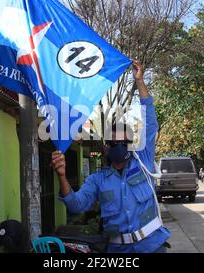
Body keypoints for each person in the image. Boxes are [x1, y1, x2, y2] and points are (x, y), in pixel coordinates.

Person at [51, 61, 171, 253]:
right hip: (118, 250)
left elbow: (150, 123)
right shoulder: (98, 180)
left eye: (124, 143)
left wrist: (139, 81)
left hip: (152, 246)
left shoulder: (144, 161)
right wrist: (62, 176)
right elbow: (76, 205)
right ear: (106, 148)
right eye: (114, 144)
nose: (120, 147)